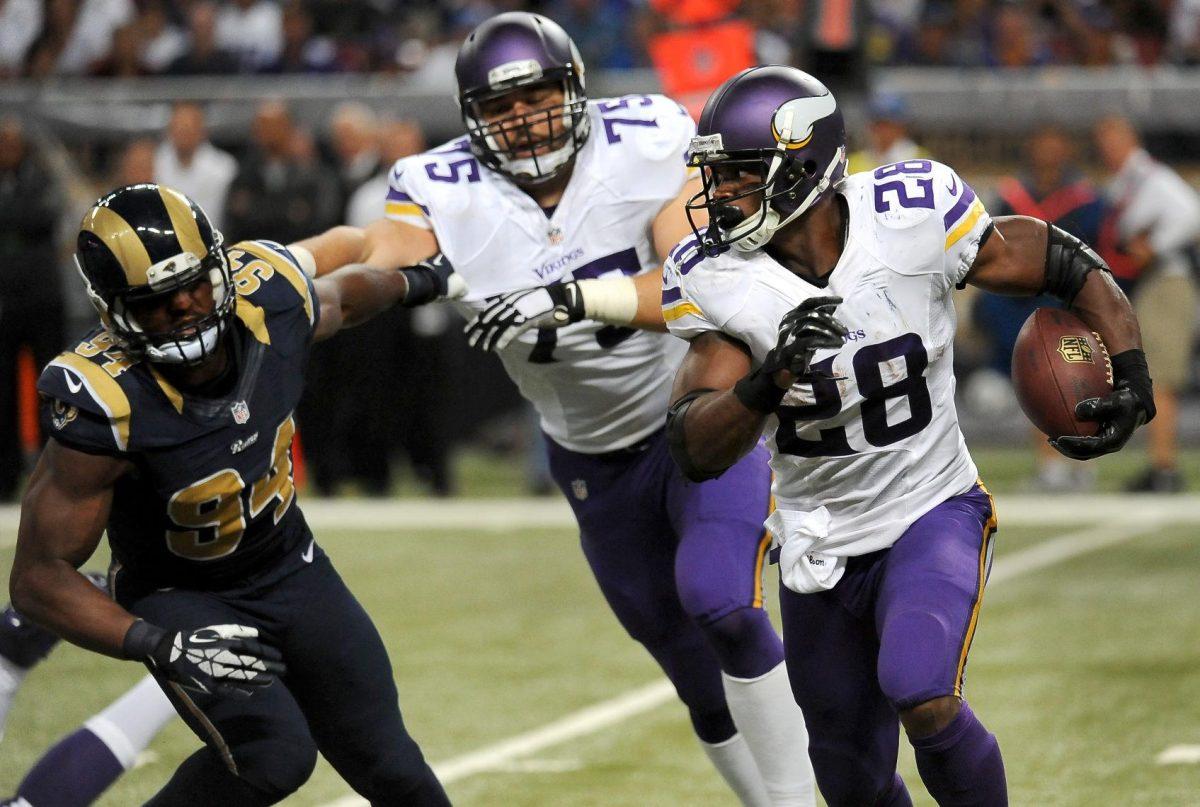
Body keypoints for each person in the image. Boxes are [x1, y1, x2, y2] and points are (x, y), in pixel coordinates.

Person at [307, 12, 815, 805]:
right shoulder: (434, 184)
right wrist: (384, 284)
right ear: (473, 117)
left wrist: (577, 297)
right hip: (586, 454)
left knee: (723, 601)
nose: (522, 118)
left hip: (692, 414)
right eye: (500, 106)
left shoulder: (647, 137)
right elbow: (391, 259)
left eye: (536, 95)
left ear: (573, 88)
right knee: (691, 673)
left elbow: (698, 283)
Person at [661, 66, 1154, 805]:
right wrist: (767, 381)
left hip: (932, 506)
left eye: (739, 174)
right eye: (718, 176)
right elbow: (695, 448)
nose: (720, 194)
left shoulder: (910, 210)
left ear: (803, 167)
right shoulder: (718, 276)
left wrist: (1132, 366)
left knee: (921, 691)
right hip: (819, 538)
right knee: (849, 777)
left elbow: (1058, 258)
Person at [9, 183, 462, 805]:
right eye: (158, 301)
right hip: (181, 591)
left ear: (219, 267)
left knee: (392, 765)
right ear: (115, 312)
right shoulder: (106, 401)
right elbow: (38, 577)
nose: (188, 306)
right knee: (274, 756)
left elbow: (341, 295)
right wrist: (157, 641)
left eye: (195, 283)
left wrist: (421, 280)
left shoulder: (266, 297)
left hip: (288, 563)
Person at [974, 124, 1108, 492]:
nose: (1047, 152)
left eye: (1055, 145)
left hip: (1071, 301)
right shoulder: (1013, 194)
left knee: (1082, 381)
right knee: (1044, 379)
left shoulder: (1084, 198)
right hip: (1027, 301)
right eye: (1042, 145)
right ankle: (1050, 466)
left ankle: (1083, 463)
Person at [1094, 115, 1200, 492]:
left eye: (1114, 140)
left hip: (1166, 283)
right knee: (1151, 375)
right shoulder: (1126, 181)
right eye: (1103, 142)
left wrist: (1154, 247)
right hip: (1150, 285)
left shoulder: (1148, 176)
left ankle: (1165, 467)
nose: (1108, 150)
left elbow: (1191, 212)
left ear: (1130, 140)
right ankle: (1160, 465)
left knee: (1160, 377)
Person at [0, 118, 66, 502]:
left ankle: (54, 471)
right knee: (2, 391)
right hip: (6, 301)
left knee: (51, 384)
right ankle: (6, 477)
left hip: (43, 299)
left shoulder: (42, 176)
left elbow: (44, 217)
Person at [155, 102, 238, 231]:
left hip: (213, 240)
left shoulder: (223, 168)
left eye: (188, 129)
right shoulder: (154, 163)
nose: (183, 135)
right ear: (169, 131)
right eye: (178, 128)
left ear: (202, 131)